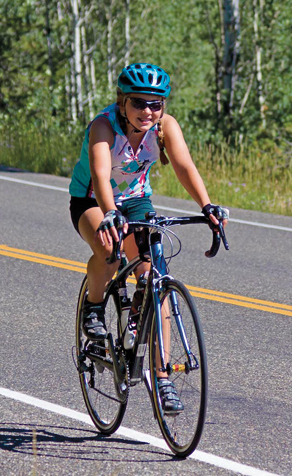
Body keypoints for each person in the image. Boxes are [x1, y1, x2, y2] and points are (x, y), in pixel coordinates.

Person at [69, 62, 228, 413]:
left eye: (156, 103)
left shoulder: (164, 127)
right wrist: (110, 214)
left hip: (137, 202)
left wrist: (207, 206)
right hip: (93, 200)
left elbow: (185, 165)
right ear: (122, 101)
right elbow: (99, 174)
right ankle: (94, 309)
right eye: (139, 102)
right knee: (109, 248)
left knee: (156, 283)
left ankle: (163, 378)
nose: (148, 111)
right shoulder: (103, 126)